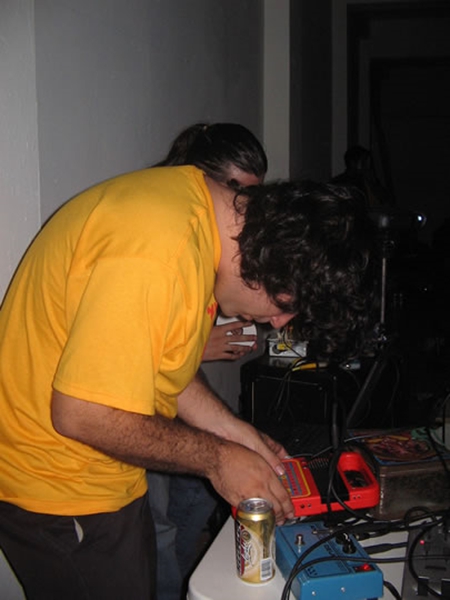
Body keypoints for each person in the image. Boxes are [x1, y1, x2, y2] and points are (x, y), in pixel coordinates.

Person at [0, 165, 376, 599]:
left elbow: (162, 366)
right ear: (279, 258)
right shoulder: (159, 253)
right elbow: (82, 415)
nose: (277, 322)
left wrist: (230, 431)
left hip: (97, 471)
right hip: (56, 486)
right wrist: (218, 460)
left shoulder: (198, 219)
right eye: (285, 304)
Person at [149, 122, 266, 600]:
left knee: (199, 490)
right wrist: (203, 347)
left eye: (252, 195)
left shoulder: (208, 245)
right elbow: (134, 357)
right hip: (132, 409)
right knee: (155, 523)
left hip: (172, 389)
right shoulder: (164, 238)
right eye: (236, 190)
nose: (243, 208)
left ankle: (182, 577)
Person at [331, 145, 394, 209]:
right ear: (353, 163)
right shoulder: (339, 183)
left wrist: (373, 183)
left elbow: (385, 199)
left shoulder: (369, 180)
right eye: (364, 162)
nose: (368, 166)